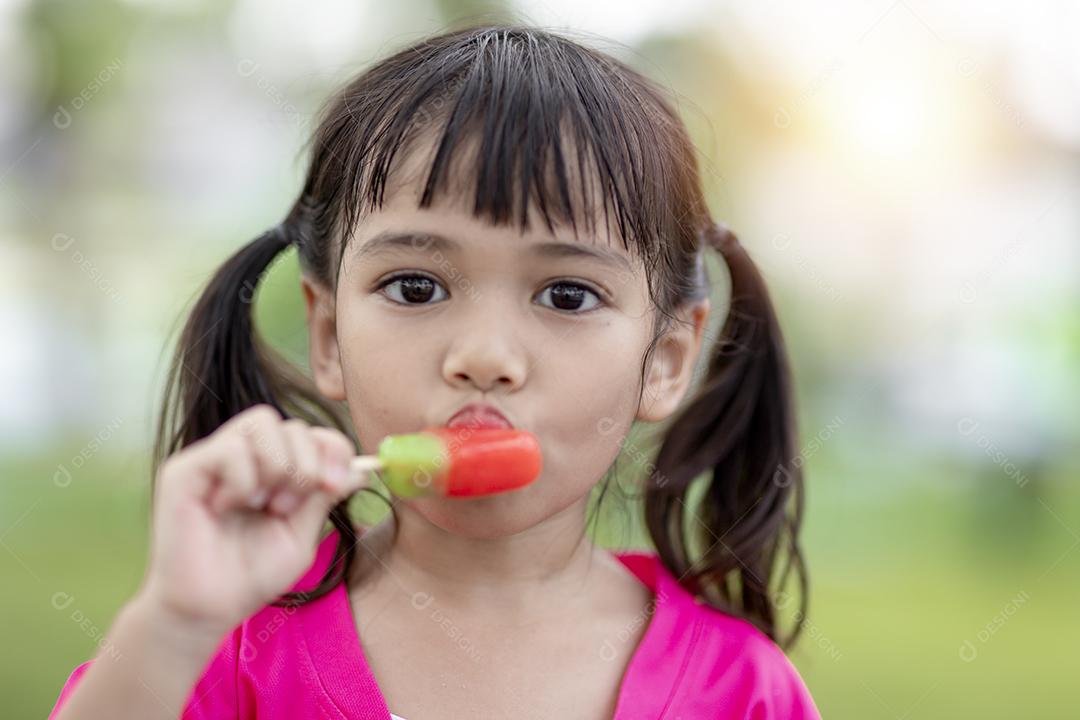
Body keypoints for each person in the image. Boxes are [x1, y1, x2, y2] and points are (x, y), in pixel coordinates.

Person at [49, 23, 820, 719]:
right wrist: (174, 624)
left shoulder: (742, 689)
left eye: (567, 295)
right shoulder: (227, 650)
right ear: (328, 335)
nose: (483, 356)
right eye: (415, 288)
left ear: (666, 361)